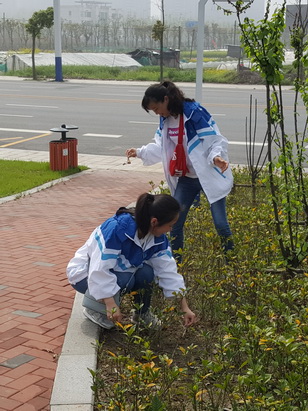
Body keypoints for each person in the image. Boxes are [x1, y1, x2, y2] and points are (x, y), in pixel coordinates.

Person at [126, 81, 234, 263]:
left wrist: (216, 157)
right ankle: (176, 263)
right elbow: (161, 147)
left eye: (156, 108)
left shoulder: (194, 112)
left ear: (166, 99)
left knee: (220, 223)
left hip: (208, 174)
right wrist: (139, 152)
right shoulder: (166, 119)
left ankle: (231, 262)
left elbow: (215, 140)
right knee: (173, 221)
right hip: (186, 178)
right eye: (153, 111)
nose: (157, 113)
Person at [66, 192, 197, 330]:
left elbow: (168, 271)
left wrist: (184, 307)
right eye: (170, 225)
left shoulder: (157, 238)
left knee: (146, 273)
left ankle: (141, 314)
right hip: (84, 275)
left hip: (117, 271)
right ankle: (95, 309)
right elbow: (99, 268)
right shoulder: (117, 229)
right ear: (154, 222)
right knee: (125, 279)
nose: (170, 230)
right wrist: (110, 304)